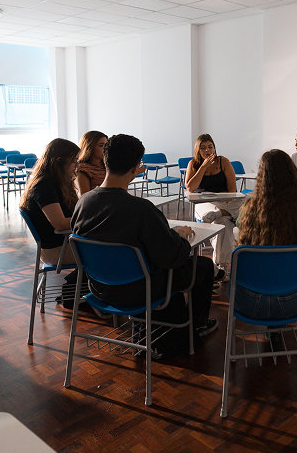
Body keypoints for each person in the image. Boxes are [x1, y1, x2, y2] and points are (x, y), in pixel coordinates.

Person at [71, 134, 217, 343]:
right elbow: (171, 258)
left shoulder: (83, 203)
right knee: (202, 266)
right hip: (140, 289)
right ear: (135, 167)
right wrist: (180, 237)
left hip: (100, 288)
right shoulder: (141, 209)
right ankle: (197, 327)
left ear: (105, 160)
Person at [234, 149, 297, 323]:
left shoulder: (248, 209)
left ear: (261, 177)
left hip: (251, 302)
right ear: (293, 172)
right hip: (295, 301)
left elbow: (241, 241)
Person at [184, 134, 238, 282]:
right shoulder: (193, 164)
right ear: (197, 149)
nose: (207, 150)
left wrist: (225, 200)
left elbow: (233, 190)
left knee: (247, 201)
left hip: (223, 202)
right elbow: (190, 188)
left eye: (210, 147)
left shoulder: (223, 161)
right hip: (203, 204)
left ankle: (220, 266)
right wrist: (203, 167)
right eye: (203, 148)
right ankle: (221, 266)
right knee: (223, 222)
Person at [20, 137, 80, 269]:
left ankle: (82, 283)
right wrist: (92, 220)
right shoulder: (44, 185)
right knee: (111, 249)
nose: (77, 167)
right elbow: (60, 224)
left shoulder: (58, 182)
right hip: (56, 250)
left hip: (66, 243)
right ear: (59, 162)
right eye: (74, 162)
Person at [76, 130, 107, 196]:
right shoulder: (82, 169)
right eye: (101, 146)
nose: (105, 149)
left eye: (106, 145)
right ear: (90, 147)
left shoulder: (108, 166)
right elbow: (84, 197)